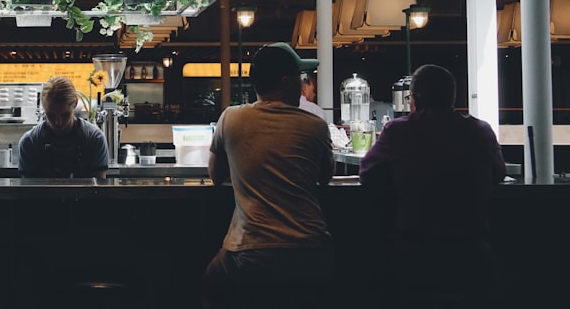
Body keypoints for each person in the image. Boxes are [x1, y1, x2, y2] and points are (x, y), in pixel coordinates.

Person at [359, 64, 506, 308]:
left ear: (414, 100)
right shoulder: (480, 131)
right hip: (472, 255)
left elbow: (368, 173)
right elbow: (498, 173)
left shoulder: (399, 131)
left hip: (416, 255)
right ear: (452, 97)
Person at [202, 43, 334, 309]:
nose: (304, 84)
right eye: (301, 78)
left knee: (209, 284)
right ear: (286, 82)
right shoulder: (316, 126)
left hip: (250, 254)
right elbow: (326, 177)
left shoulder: (231, 118)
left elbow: (215, 176)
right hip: (310, 252)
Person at [18, 75, 109, 178]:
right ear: (43, 107)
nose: (58, 122)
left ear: (75, 103)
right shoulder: (30, 142)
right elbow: (28, 191)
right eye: (51, 115)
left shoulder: (94, 139)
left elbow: (98, 190)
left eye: (65, 115)